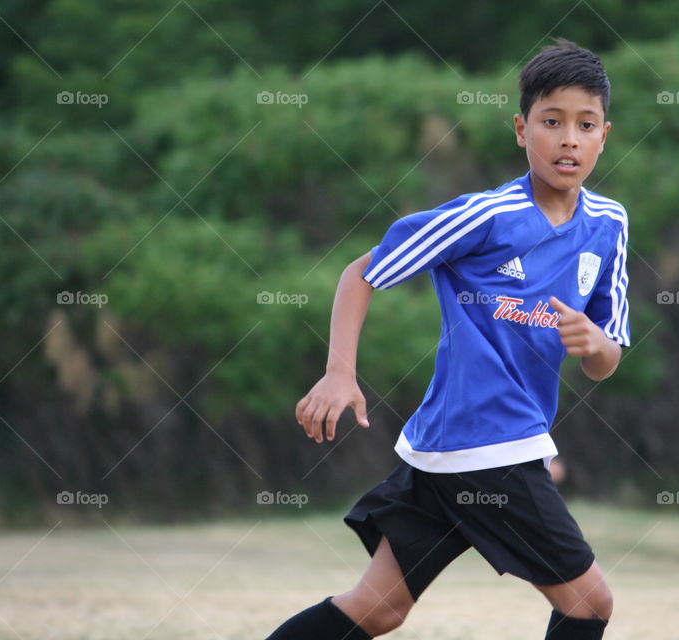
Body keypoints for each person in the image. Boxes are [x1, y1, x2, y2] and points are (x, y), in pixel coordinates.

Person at [267, 39, 631, 639]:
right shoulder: (484, 216)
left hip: (447, 453)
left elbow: (606, 362)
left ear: (604, 135)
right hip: (489, 444)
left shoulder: (609, 225)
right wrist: (339, 373)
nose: (569, 138)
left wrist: (595, 345)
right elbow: (361, 272)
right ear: (521, 130)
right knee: (589, 604)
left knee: (376, 609)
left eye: (584, 124)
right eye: (551, 121)